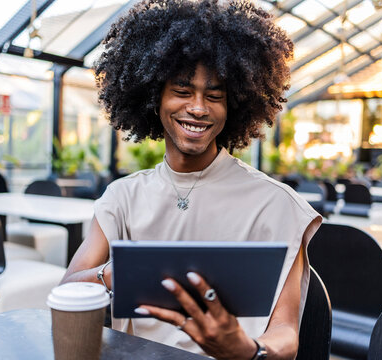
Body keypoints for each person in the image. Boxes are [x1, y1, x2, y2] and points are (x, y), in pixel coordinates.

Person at [61, 1, 322, 359]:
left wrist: (247, 349)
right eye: (182, 91)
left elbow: (287, 334)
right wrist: (112, 274)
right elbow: (67, 289)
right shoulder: (122, 197)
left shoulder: (277, 204)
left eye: (214, 96)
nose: (198, 107)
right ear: (154, 98)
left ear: (233, 107)